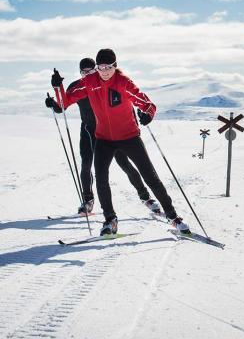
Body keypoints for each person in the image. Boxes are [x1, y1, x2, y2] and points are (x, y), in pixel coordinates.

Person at [51, 48, 189, 236]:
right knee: (101, 179)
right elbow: (64, 103)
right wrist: (58, 87)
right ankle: (110, 220)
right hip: (104, 139)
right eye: (101, 67)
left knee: (150, 176)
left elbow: (146, 103)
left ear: (115, 66)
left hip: (129, 137)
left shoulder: (123, 82)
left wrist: (147, 114)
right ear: (97, 67)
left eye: (108, 67)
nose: (104, 71)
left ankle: (172, 216)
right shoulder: (89, 82)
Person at [45, 57, 163, 217]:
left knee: (125, 164)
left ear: (96, 70)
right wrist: (54, 98)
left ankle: (145, 197)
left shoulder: (104, 83)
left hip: (111, 132)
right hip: (88, 131)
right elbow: (62, 105)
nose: (87, 74)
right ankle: (88, 201)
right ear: (80, 73)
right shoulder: (78, 86)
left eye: (91, 70)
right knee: (86, 165)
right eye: (84, 71)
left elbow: (124, 102)